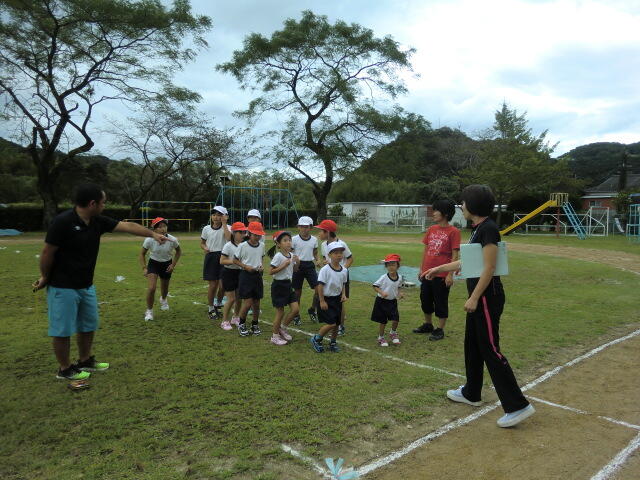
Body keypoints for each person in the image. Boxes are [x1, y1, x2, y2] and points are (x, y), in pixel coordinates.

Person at [423, 184, 535, 428]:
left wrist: (474, 297)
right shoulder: (479, 229)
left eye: (463, 203)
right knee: (472, 345)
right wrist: (440, 268)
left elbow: (489, 267)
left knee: (490, 349)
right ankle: (471, 392)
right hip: (480, 297)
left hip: (486, 298)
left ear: (472, 205)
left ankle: (517, 405)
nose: (461, 206)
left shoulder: (489, 229)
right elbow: (471, 261)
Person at [33, 183, 168, 380]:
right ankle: (65, 369)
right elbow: (47, 253)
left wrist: (153, 234)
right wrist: (45, 277)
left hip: (86, 284)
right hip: (62, 285)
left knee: (88, 324)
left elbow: (128, 226)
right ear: (92, 203)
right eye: (103, 202)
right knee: (62, 330)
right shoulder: (62, 222)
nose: (105, 205)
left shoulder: (97, 221)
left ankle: (85, 360)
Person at [414, 199, 461, 341]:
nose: (433, 213)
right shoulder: (431, 229)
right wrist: (421, 269)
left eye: (436, 210)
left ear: (445, 214)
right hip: (427, 273)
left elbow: (455, 255)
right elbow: (426, 250)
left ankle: (440, 329)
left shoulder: (454, 232)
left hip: (441, 275)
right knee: (425, 299)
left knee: (440, 301)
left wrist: (450, 275)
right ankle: (428, 324)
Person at [310, 241, 349, 353]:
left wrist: (343, 294)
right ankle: (316, 338)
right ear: (329, 255)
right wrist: (322, 301)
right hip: (327, 300)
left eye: (340, 253)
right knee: (331, 323)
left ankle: (333, 342)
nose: (339, 255)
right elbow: (320, 286)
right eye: (335, 253)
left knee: (337, 323)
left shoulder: (344, 270)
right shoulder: (325, 270)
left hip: (337, 300)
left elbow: (343, 284)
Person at [315, 219, 353, 335]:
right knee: (329, 297)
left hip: (340, 277)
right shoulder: (323, 245)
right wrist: (324, 263)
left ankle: (341, 326)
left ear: (327, 232)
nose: (318, 234)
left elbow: (350, 259)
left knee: (340, 301)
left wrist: (341, 271)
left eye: (320, 231)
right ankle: (332, 320)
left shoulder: (342, 244)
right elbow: (326, 259)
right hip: (329, 275)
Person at [139, 217, 181, 321]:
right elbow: (142, 254)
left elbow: (178, 251)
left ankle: (163, 299)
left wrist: (173, 265)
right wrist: (144, 268)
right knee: (152, 288)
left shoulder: (172, 239)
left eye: (164, 226)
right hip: (153, 263)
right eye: (160, 227)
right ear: (154, 229)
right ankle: (149, 311)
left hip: (167, 264)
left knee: (165, 288)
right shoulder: (149, 239)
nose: (163, 229)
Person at [233, 221, 266, 336]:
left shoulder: (262, 245)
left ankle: (254, 324)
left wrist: (261, 266)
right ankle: (241, 324)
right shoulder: (243, 246)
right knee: (247, 303)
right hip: (245, 275)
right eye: (255, 234)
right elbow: (235, 260)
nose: (257, 237)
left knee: (257, 303)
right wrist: (245, 266)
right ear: (249, 233)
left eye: (259, 235)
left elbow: (261, 258)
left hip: (257, 275)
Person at [268, 230, 300, 345]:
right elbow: (270, 271)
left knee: (295, 309)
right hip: (278, 286)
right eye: (285, 240)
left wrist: (297, 262)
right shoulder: (278, 256)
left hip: (288, 285)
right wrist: (283, 265)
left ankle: (282, 328)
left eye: (289, 240)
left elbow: (295, 270)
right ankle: (275, 336)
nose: (288, 242)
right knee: (280, 312)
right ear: (278, 244)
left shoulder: (291, 255)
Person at [201, 206, 231, 320]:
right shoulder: (206, 229)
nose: (216, 217)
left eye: (219, 215)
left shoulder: (228, 227)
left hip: (224, 257)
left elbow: (229, 239)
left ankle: (218, 304)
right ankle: (210, 308)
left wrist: (224, 224)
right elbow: (202, 242)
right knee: (213, 285)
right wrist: (205, 247)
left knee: (223, 286)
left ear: (224, 216)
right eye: (214, 215)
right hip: (211, 257)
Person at [219, 222, 247, 330]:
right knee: (231, 299)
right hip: (228, 273)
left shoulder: (244, 245)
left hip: (240, 273)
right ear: (234, 233)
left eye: (244, 232)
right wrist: (234, 261)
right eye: (240, 232)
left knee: (239, 298)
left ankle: (235, 317)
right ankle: (224, 321)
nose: (243, 234)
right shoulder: (228, 246)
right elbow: (222, 261)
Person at [371, 254, 404, 347]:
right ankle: (381, 337)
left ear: (398, 266)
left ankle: (393, 333)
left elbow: (399, 286)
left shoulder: (400, 277)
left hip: (392, 301)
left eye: (393, 265)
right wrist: (382, 292)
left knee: (396, 319)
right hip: (382, 302)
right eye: (389, 265)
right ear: (386, 266)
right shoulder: (384, 277)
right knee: (383, 321)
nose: (391, 267)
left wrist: (400, 293)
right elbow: (375, 286)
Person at [291, 216, 318, 325]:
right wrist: (293, 262)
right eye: (301, 226)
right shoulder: (294, 239)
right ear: (298, 227)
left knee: (318, 289)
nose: (304, 229)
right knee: (297, 292)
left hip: (310, 265)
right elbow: (290, 252)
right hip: (298, 266)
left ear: (311, 227)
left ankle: (312, 309)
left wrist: (317, 260)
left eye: (306, 227)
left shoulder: (314, 239)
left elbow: (315, 252)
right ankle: (296, 315)